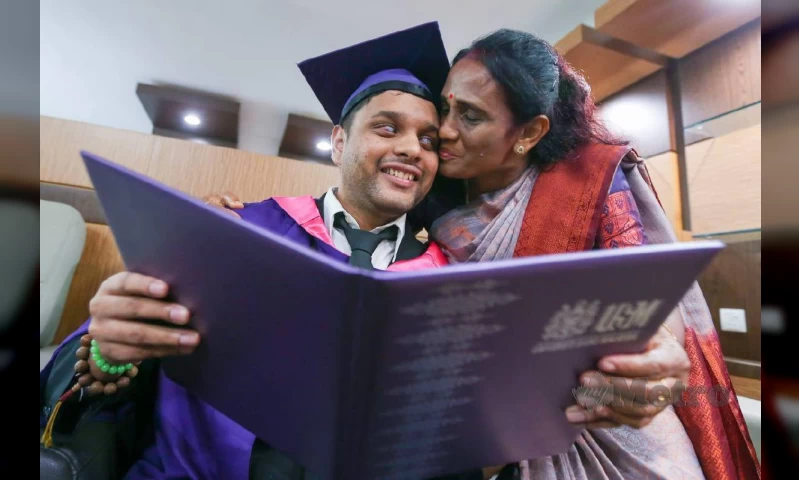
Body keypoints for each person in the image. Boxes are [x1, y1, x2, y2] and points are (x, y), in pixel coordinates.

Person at [210, 28, 760, 480]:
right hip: (479, 440)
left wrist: (656, 368)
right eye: (443, 110)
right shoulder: (433, 192)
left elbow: (644, 308)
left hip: (595, 432)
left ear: (528, 133)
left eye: (468, 117)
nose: (440, 136)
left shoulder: (583, 186)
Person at [40, 23, 502, 480]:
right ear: (339, 143)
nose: (411, 149)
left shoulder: (448, 281)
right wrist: (108, 353)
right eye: (386, 128)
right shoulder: (234, 230)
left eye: (427, 140)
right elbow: (111, 358)